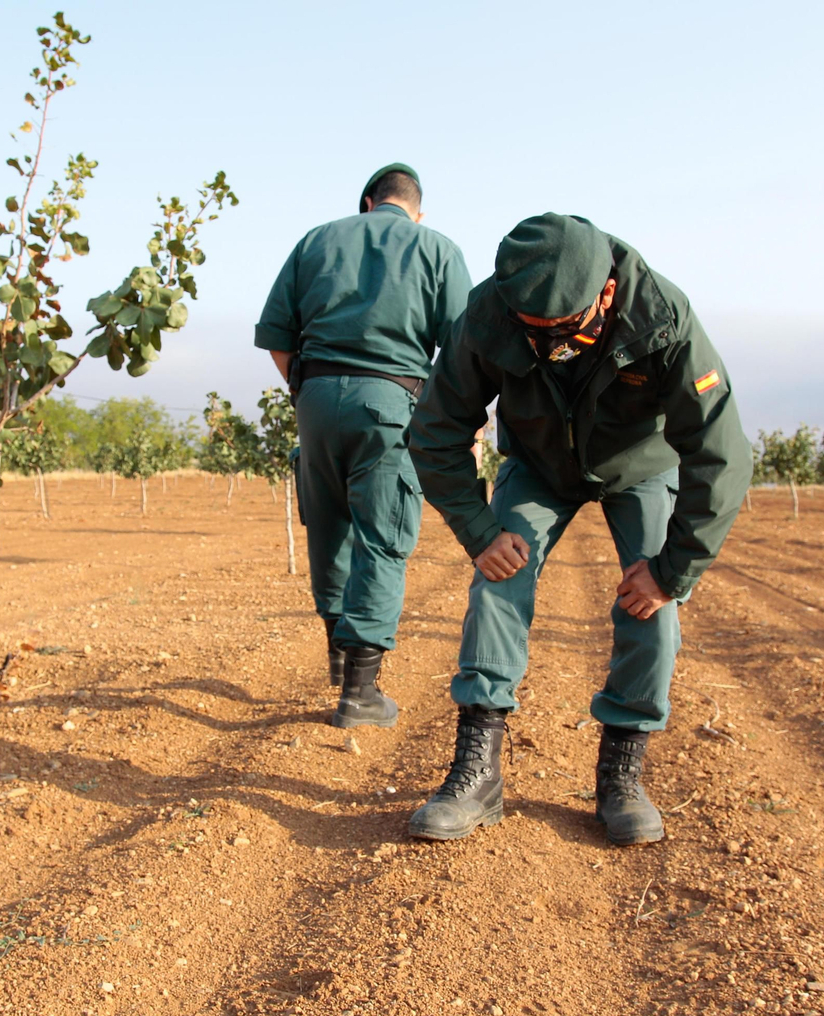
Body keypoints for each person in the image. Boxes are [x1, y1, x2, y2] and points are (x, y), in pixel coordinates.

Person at [406, 213, 752, 844]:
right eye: (533, 334)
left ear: (607, 294)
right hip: (539, 464)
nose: (549, 348)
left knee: (653, 604)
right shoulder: (488, 314)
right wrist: (480, 531)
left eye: (565, 332)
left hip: (638, 465)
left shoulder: (662, 317)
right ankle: (477, 774)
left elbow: (720, 453)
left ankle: (622, 776)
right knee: (498, 580)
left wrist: (672, 571)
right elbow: (434, 430)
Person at [255, 164, 471, 728]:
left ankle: (337, 654)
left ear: (368, 203)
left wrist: (308, 392)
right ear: (416, 212)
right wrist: (463, 433)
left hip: (316, 397)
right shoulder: (437, 248)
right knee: (382, 537)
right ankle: (360, 693)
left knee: (328, 526)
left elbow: (276, 337)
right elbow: (462, 354)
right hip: (392, 403)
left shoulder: (317, 239)